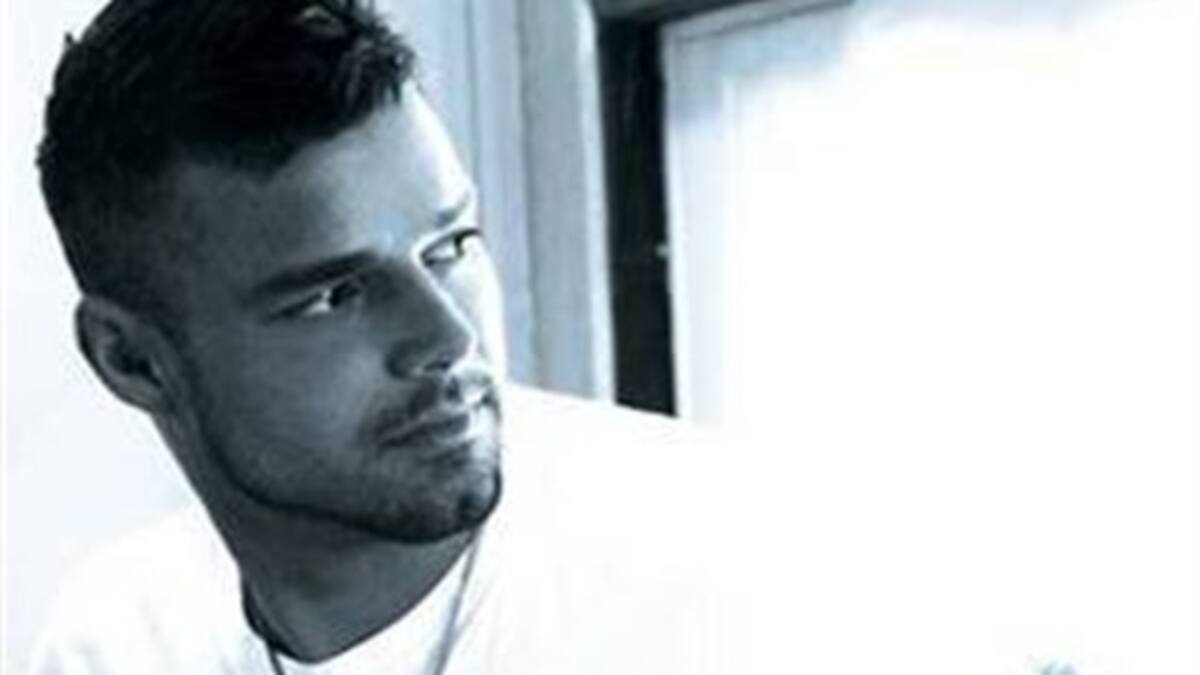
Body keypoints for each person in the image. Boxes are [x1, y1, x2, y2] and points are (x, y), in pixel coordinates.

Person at [29, 0, 719, 672]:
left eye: (451, 245)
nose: (449, 337)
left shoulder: (723, 578)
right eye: (333, 296)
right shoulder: (114, 642)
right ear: (132, 360)